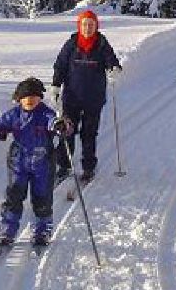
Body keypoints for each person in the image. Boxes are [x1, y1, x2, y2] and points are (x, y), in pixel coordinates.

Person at [0, 77, 70, 248]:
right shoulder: (14, 114)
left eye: (34, 97)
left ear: (40, 98)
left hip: (43, 162)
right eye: (25, 97)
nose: (29, 100)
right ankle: (7, 230)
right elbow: (0, 127)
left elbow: (55, 123)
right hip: (18, 162)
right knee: (14, 196)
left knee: (42, 197)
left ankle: (42, 231)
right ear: (19, 99)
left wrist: (61, 126)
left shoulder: (45, 113)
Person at [51, 10, 122, 185]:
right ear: (79, 25)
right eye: (84, 24)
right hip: (71, 97)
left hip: (93, 98)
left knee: (89, 134)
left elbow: (112, 61)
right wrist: (55, 85)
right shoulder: (71, 44)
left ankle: (88, 168)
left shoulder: (102, 44)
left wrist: (114, 70)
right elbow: (60, 65)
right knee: (67, 132)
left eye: (91, 24)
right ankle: (64, 166)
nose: (88, 28)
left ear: (96, 26)